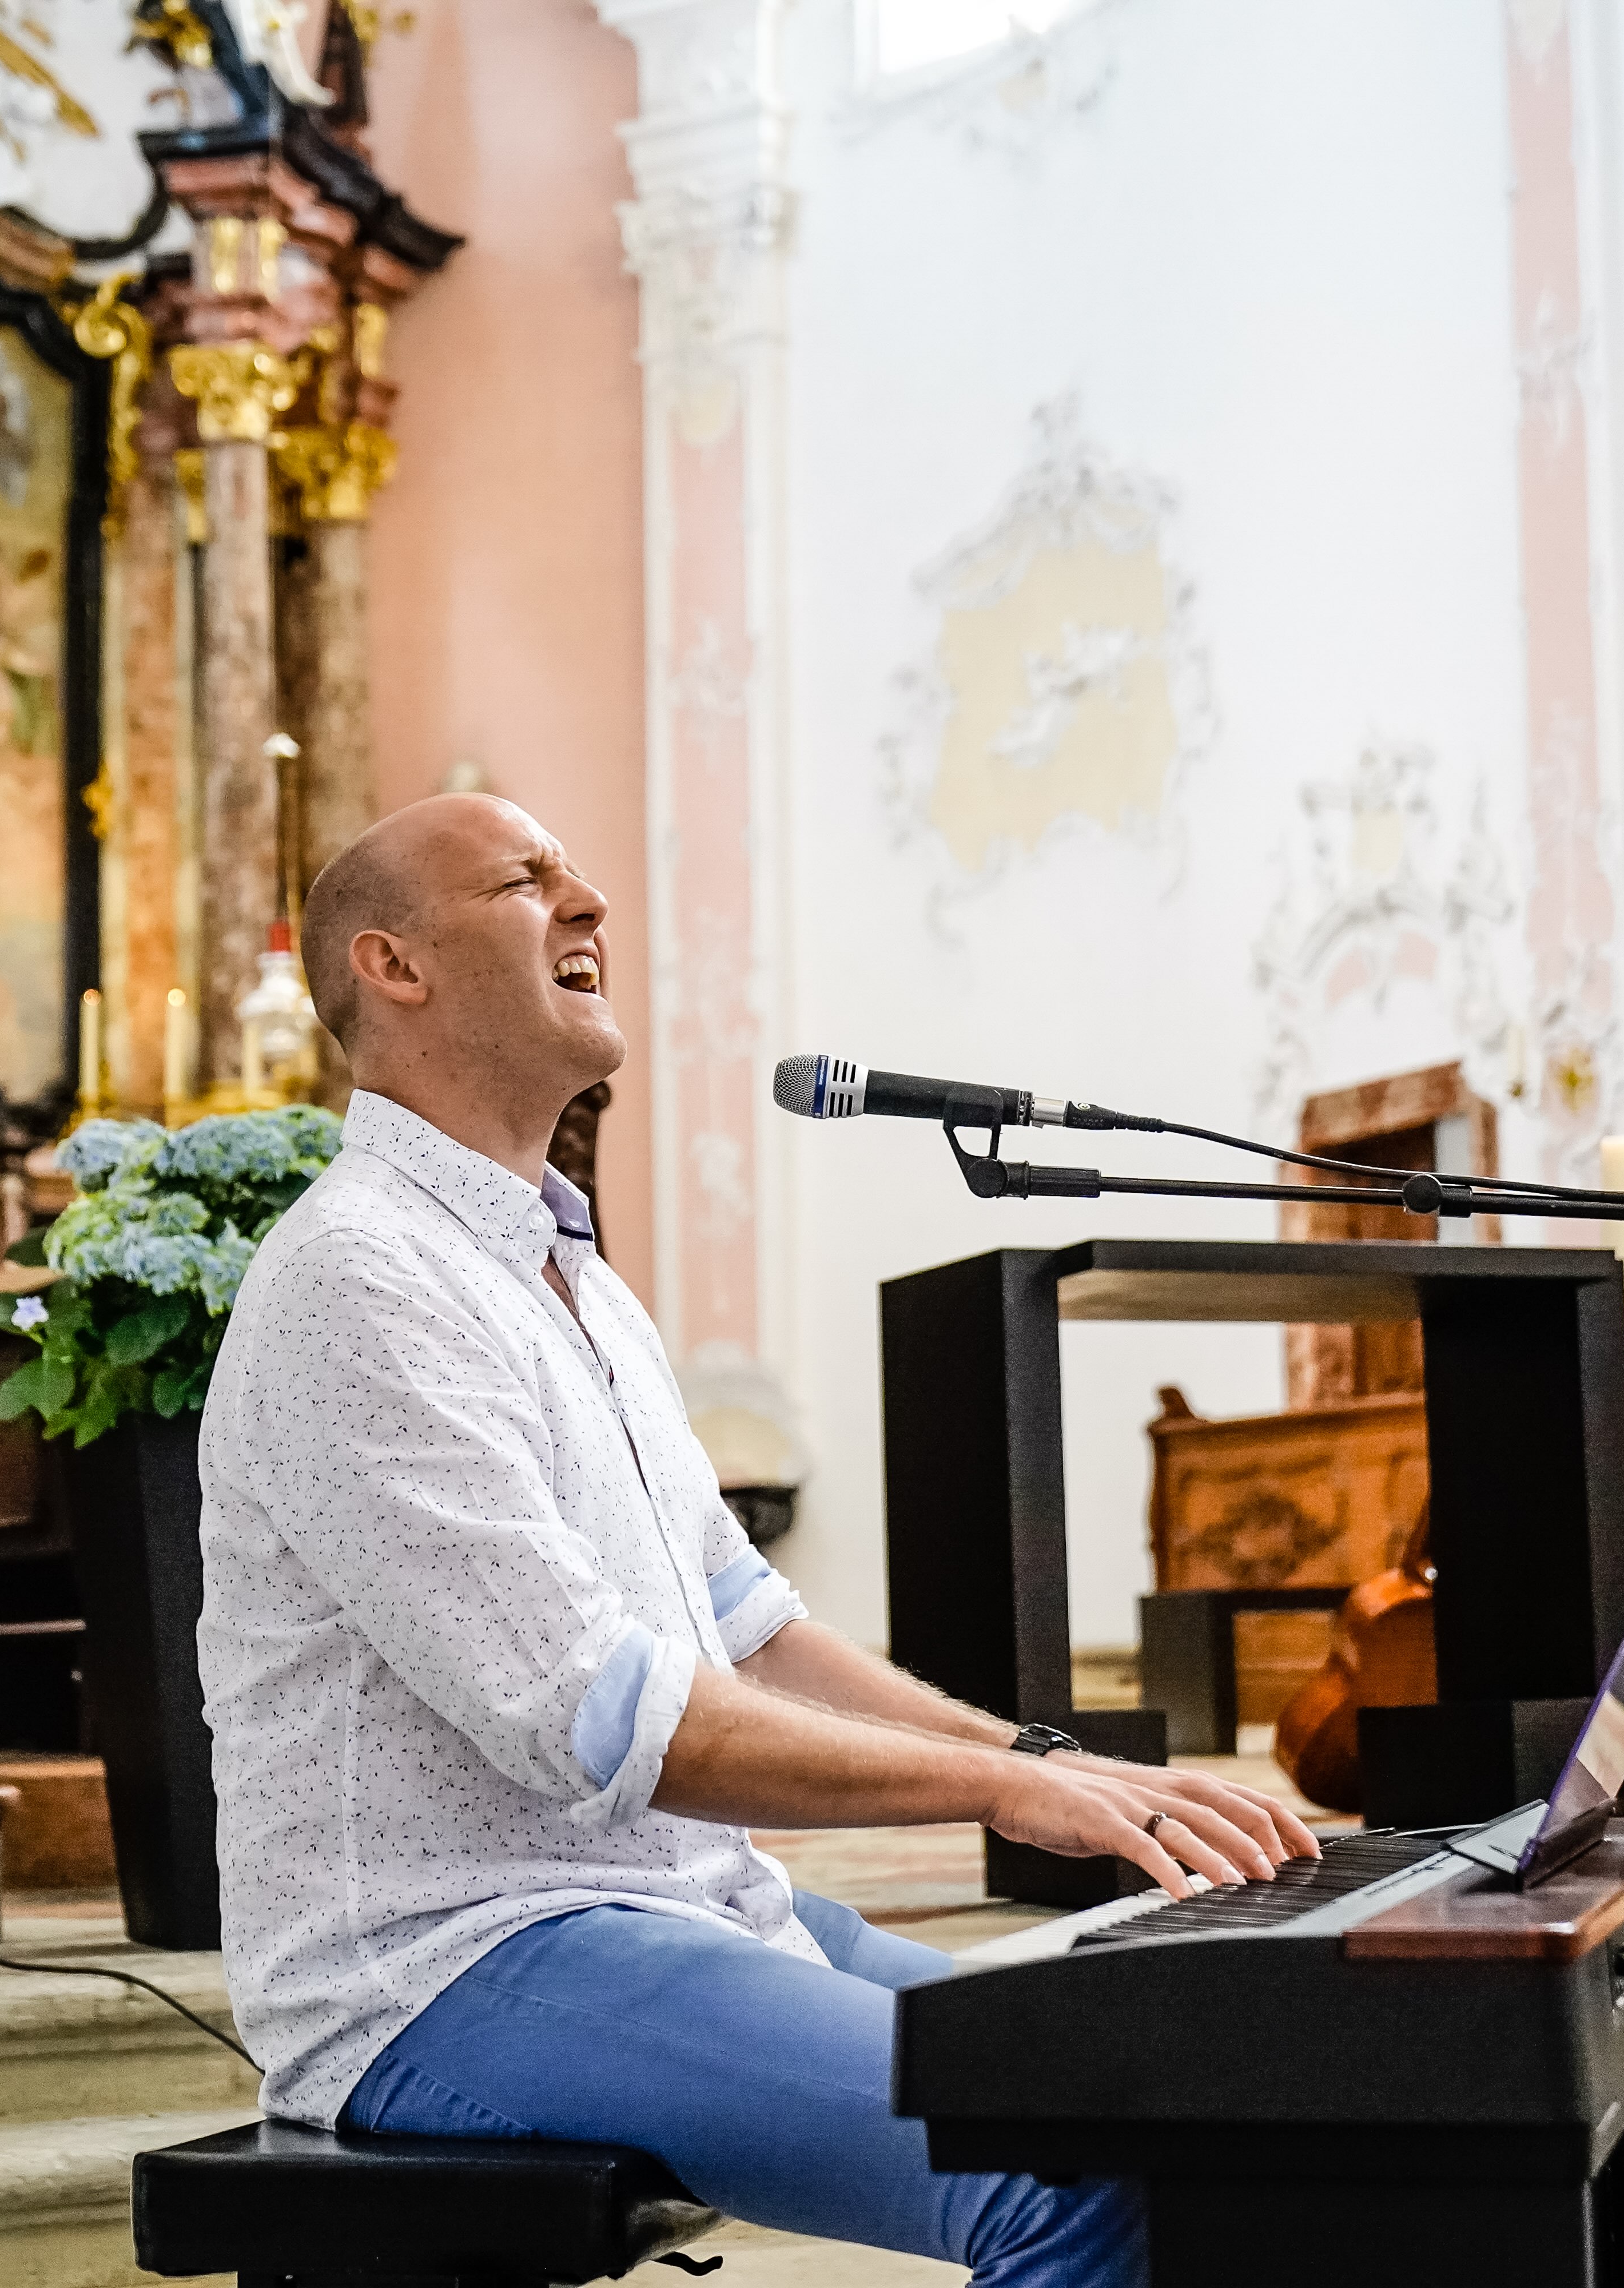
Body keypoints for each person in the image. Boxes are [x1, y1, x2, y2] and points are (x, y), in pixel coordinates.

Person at [193, 794, 1313, 2288]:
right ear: (392, 965)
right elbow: (603, 1717)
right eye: (527, 879)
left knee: (1174, 2098)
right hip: (447, 1961)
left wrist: (1048, 1758)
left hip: (681, 1906)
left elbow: (751, 1626)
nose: (589, 900)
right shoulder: (360, 1278)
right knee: (1076, 2171)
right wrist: (1002, 1793)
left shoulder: (577, 1282)